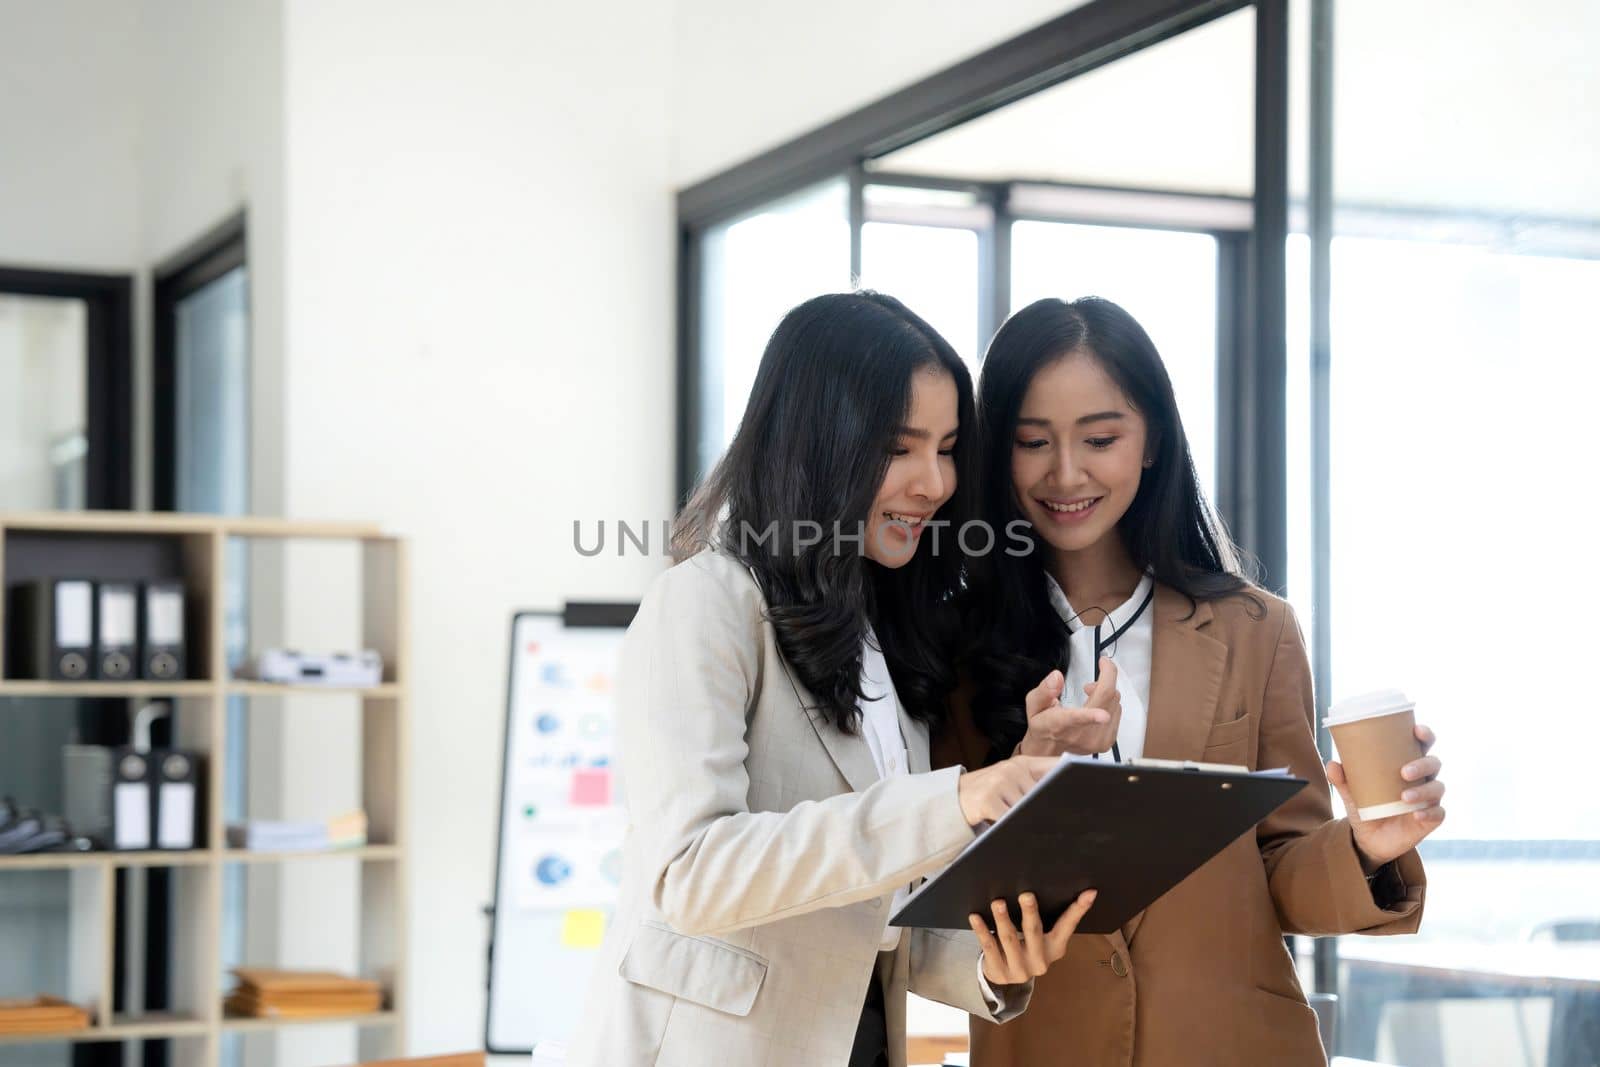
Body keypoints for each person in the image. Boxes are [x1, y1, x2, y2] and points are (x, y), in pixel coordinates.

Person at [567, 292, 1095, 1067]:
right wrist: (952, 799)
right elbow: (691, 872)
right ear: (815, 444)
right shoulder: (707, 601)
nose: (935, 482)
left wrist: (989, 961)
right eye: (900, 447)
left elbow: (875, 909)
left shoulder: (887, 633)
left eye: (948, 448)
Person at [936, 296, 1447, 1065]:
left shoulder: (1255, 629)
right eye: (1031, 441)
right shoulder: (954, 645)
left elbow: (1282, 869)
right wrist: (1024, 774)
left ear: (1151, 442)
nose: (1065, 472)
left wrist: (1368, 845)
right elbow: (934, 875)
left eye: (1100, 438)